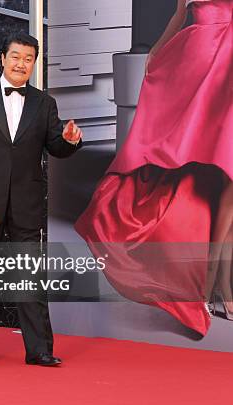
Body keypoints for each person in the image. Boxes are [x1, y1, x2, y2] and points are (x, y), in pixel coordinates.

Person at [75, 0, 232, 334]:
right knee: (214, 165)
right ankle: (213, 286)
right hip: (201, 57)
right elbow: (178, 15)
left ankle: (217, 284)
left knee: (227, 171)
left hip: (228, 60)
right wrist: (156, 53)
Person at [0, 33, 83, 366]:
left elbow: (56, 145)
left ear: (34, 63)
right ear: (2, 58)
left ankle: (39, 349)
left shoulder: (44, 103)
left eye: (28, 59)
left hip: (26, 202)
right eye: (15, 57)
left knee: (29, 276)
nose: (21, 64)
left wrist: (70, 141)